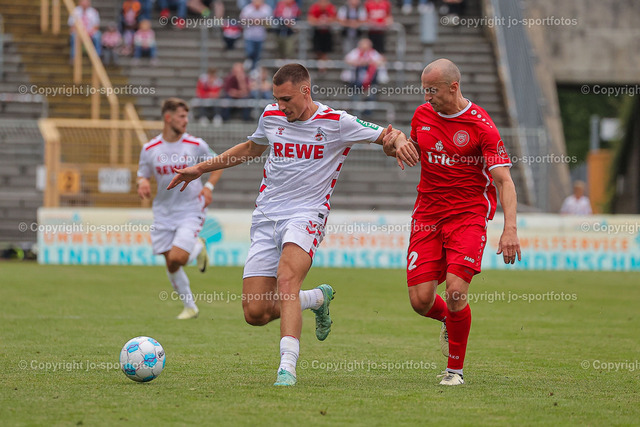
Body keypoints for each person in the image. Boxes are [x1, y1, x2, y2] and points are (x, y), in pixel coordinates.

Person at [167, 63, 401, 386]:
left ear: (306, 91)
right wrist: (200, 169)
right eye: (276, 98)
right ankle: (316, 298)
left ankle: (287, 368)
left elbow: (388, 136)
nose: (281, 106)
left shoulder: (337, 122)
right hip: (266, 216)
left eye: (286, 99)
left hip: (307, 214)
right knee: (255, 312)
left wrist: (397, 143)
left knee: (287, 281)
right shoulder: (271, 116)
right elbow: (251, 148)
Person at [383, 58, 521, 386]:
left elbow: (504, 181)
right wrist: (395, 147)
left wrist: (510, 229)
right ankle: (451, 321)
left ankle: (454, 371)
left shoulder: (482, 126)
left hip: (467, 217)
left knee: (456, 291)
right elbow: (416, 151)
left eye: (432, 90)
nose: (427, 97)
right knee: (421, 301)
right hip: (427, 216)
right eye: (424, 90)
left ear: (453, 87)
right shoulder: (422, 115)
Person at [137, 98, 223, 319]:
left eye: (187, 116)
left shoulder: (196, 144)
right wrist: (142, 182)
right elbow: (142, 173)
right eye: (181, 116)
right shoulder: (150, 148)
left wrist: (209, 187)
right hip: (163, 212)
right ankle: (190, 307)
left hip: (190, 209)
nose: (186, 121)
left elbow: (218, 163)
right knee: (171, 263)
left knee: (177, 258)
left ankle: (198, 246)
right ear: (168, 118)